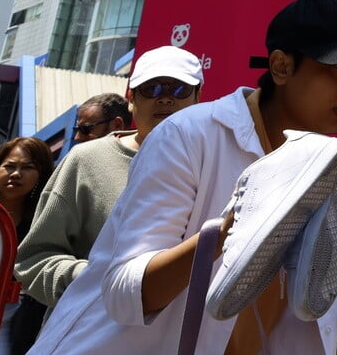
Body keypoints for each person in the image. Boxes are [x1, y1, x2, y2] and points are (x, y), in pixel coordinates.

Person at [28, 0, 337, 355]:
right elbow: (127, 294)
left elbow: (268, 313)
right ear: (281, 67)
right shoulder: (189, 135)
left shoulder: (316, 159)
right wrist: (229, 232)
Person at [16, 46, 203, 313]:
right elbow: (32, 259)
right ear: (131, 98)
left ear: (198, 97)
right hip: (89, 329)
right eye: (151, 89)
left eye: (178, 89)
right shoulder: (86, 160)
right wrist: (91, 279)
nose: (164, 99)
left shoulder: (213, 164)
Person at [0, 137, 54, 355]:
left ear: (41, 175)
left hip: (3, 326)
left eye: (27, 168)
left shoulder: (41, 226)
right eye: (9, 166)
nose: (16, 173)